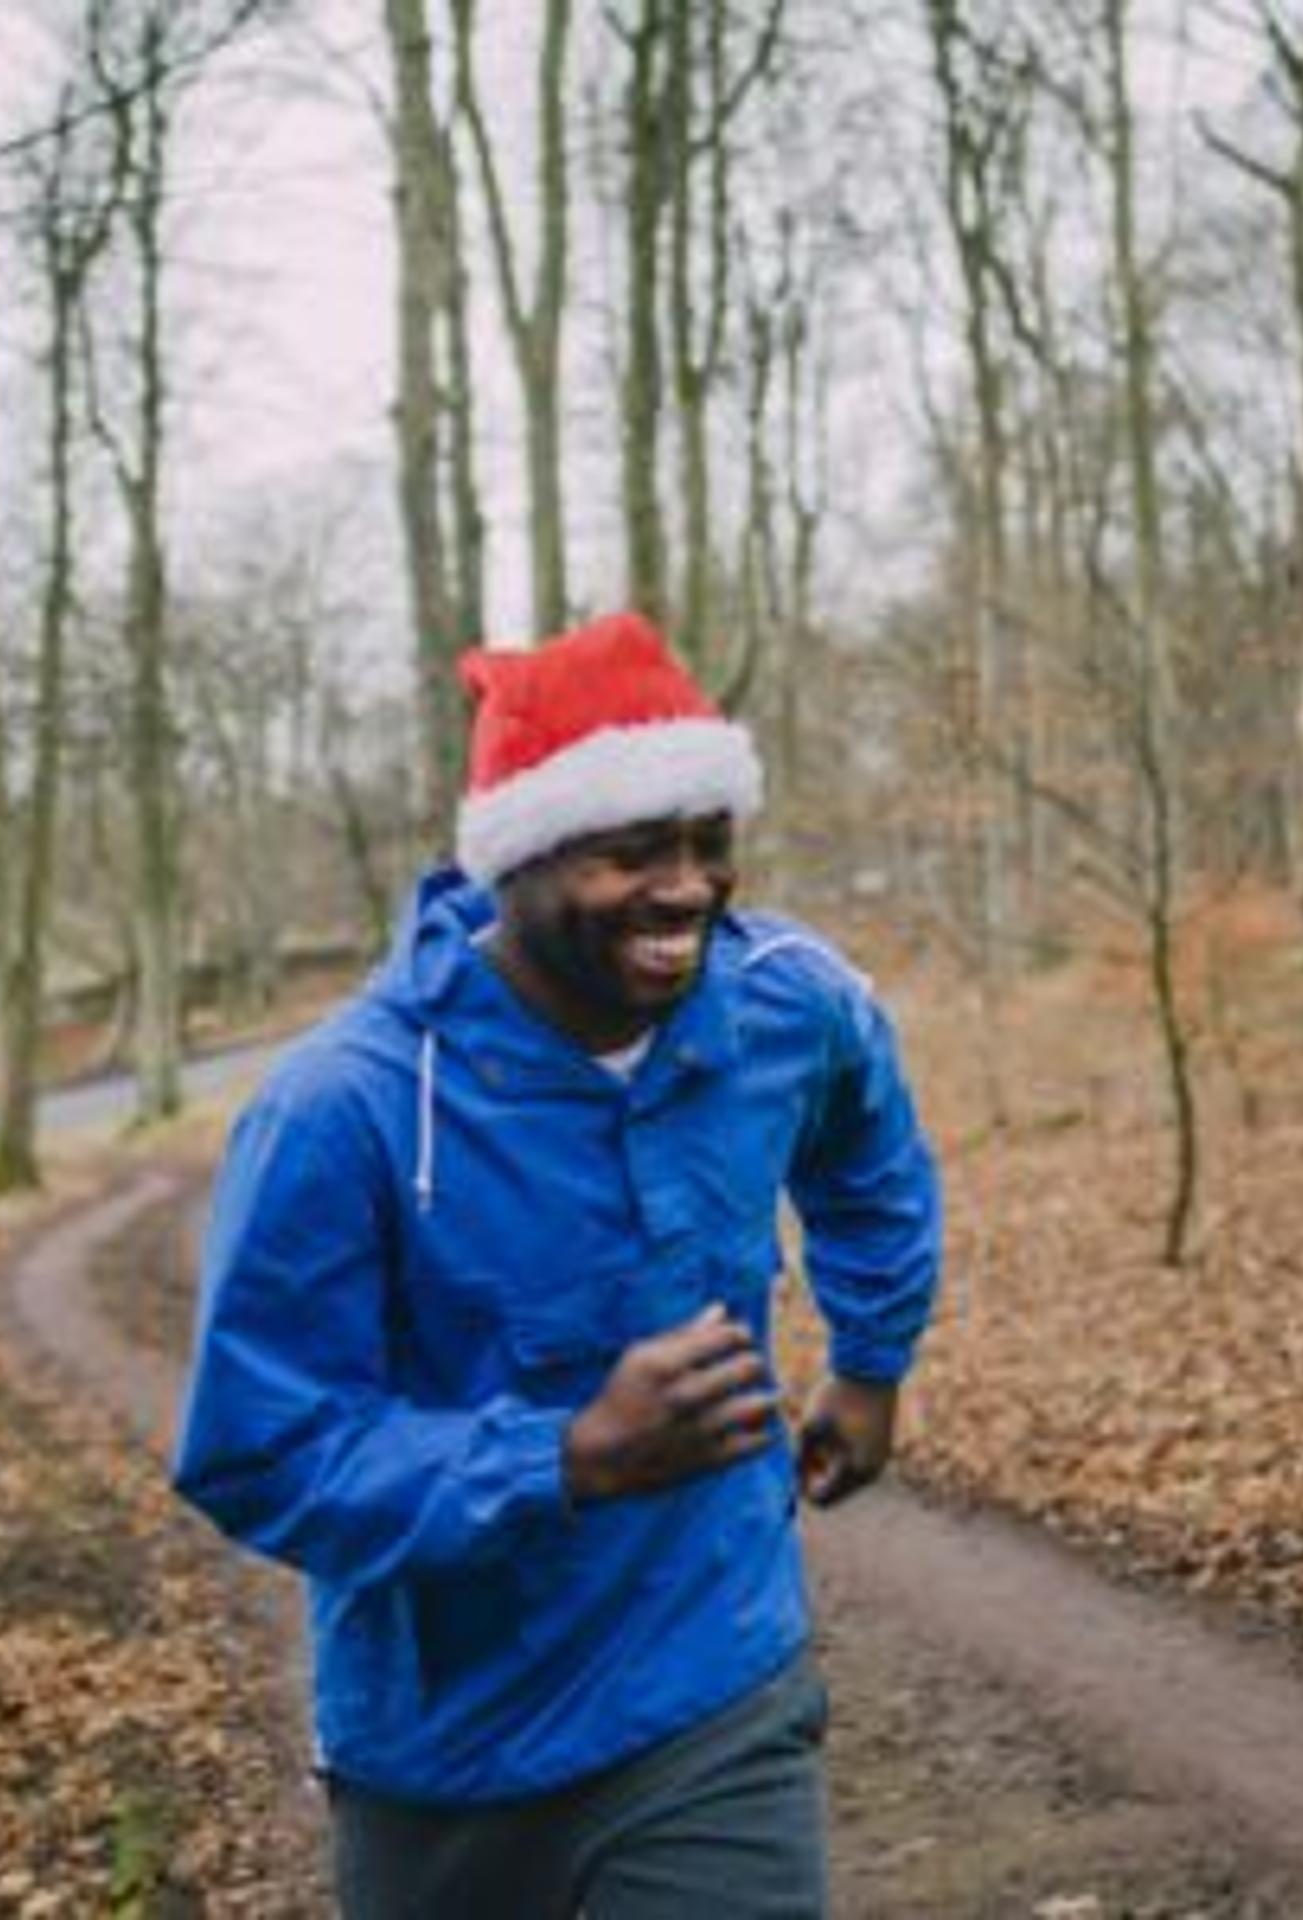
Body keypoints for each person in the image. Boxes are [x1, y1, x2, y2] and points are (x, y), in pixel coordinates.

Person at [169, 612, 941, 1918]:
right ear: (518, 861)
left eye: (709, 844)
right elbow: (258, 1451)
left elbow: (869, 1151)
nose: (688, 887)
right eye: (634, 851)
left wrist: (871, 1362)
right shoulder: (346, 1109)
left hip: (714, 1683)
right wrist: (564, 1457)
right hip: (440, 1750)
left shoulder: (784, 1001)